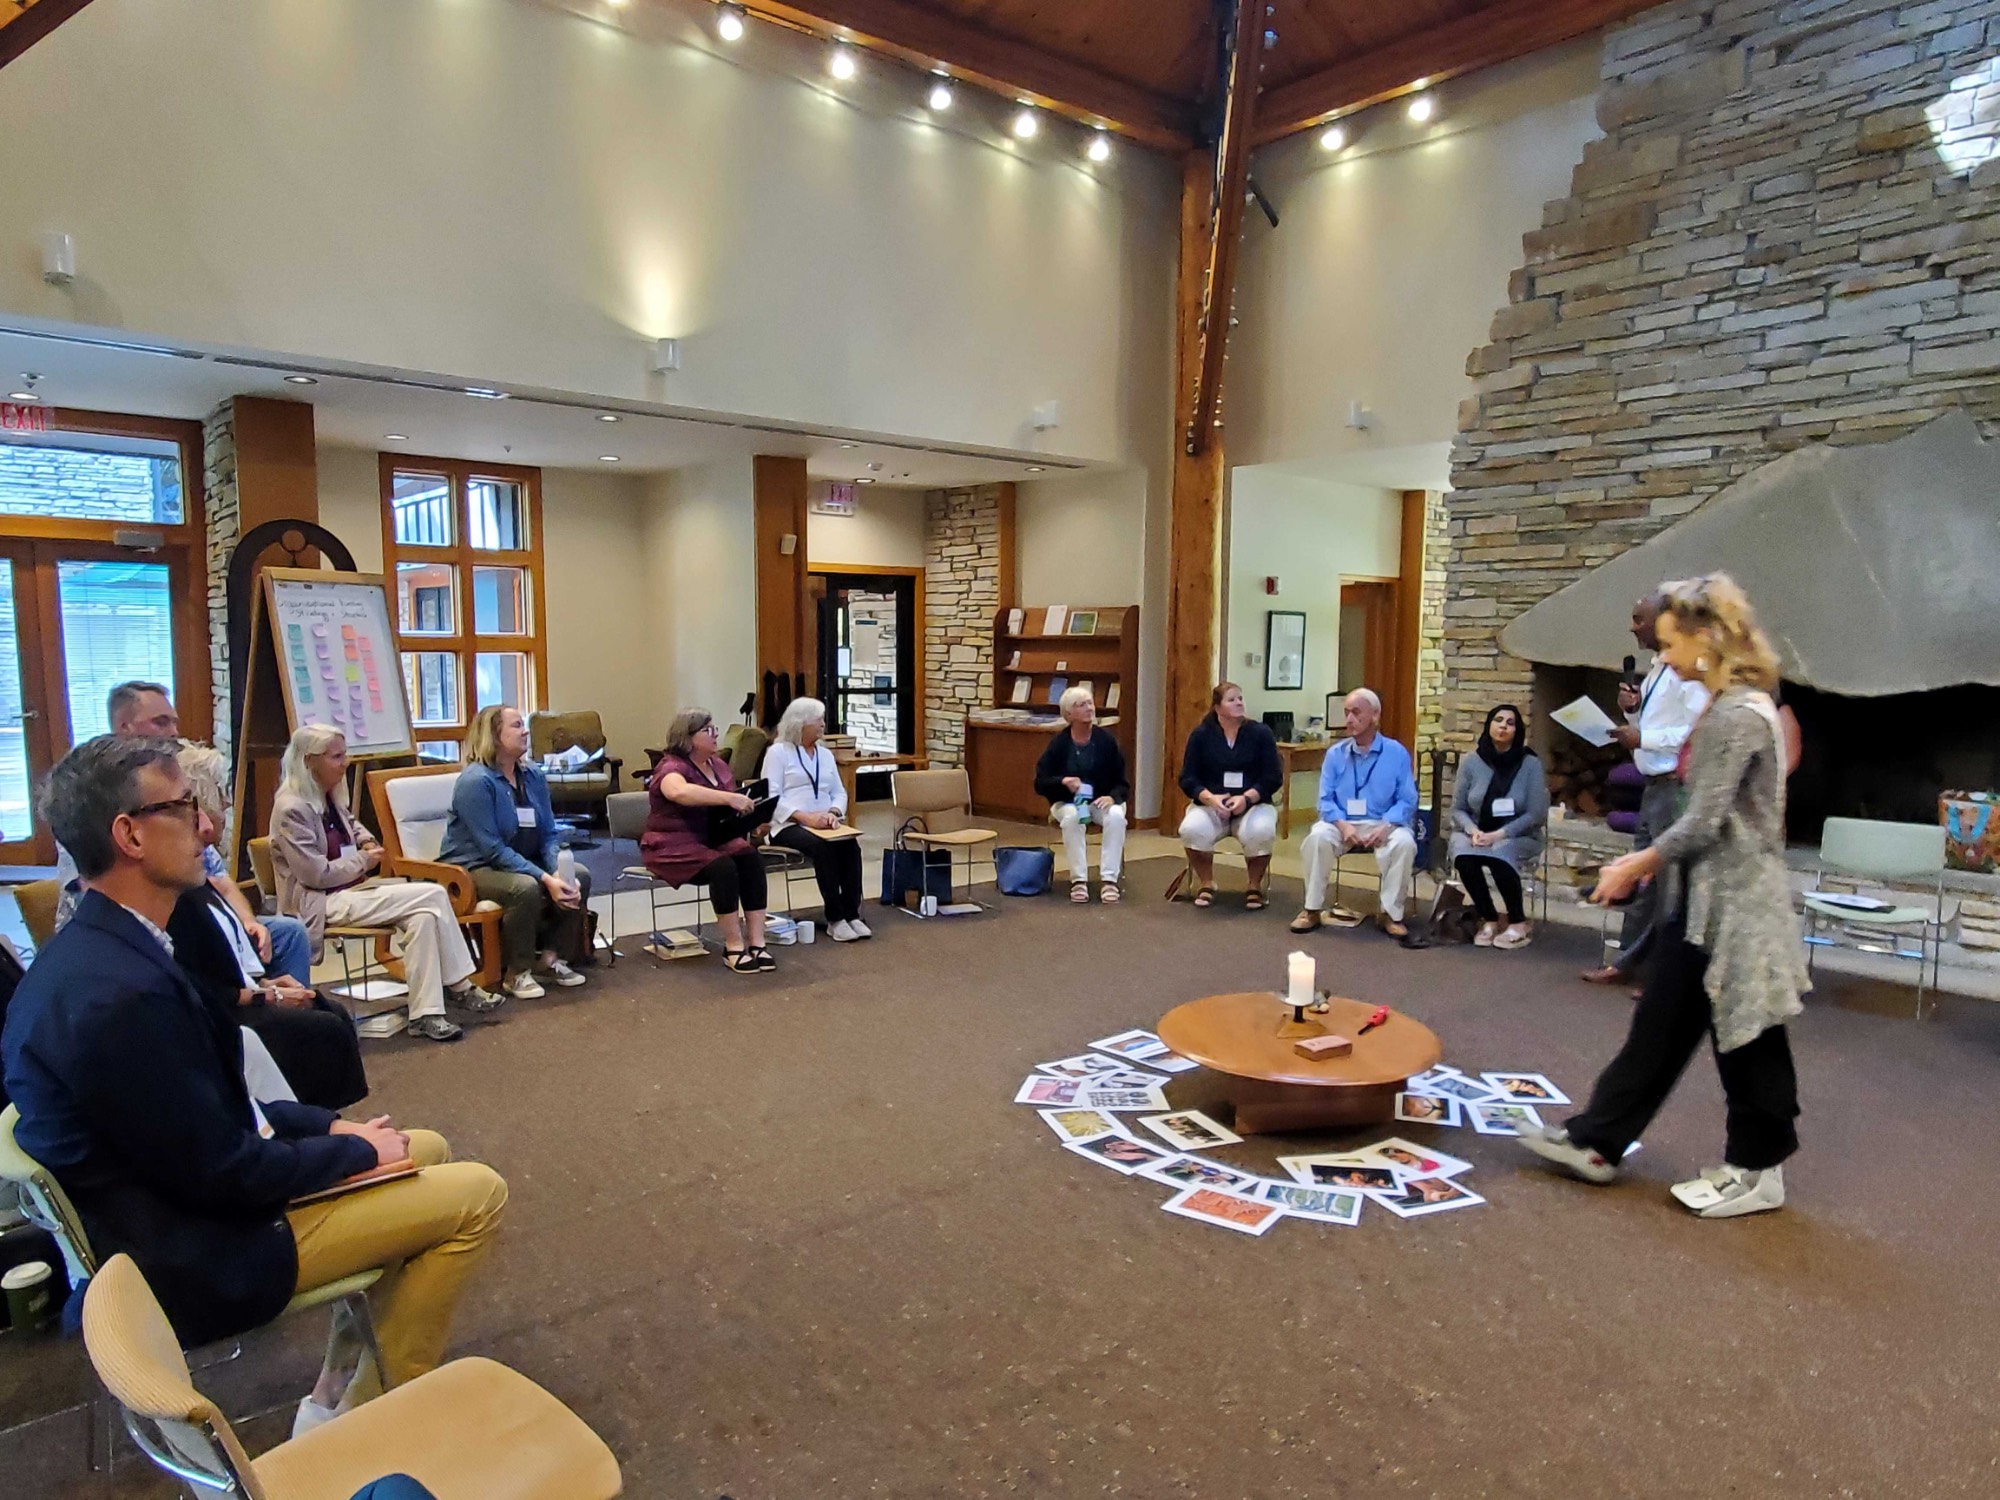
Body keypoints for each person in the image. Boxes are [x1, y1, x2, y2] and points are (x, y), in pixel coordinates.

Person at [1, 735, 508, 1427]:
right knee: (477, 1195)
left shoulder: (107, 949)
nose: (207, 825)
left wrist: (328, 1126)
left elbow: (215, 1113)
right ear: (129, 835)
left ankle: (336, 1390)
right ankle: (359, 1423)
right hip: (204, 1252)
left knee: (430, 1151)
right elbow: (225, 1172)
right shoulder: (116, 997)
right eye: (183, 807)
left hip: (196, 1204)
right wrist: (355, 1152)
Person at [1520, 573, 1808, 1220]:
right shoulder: (1727, 703)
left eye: (1673, 645)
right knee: (1662, 1024)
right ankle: (1597, 1142)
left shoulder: (1738, 713)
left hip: (1738, 906)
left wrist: (1635, 865)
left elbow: (1705, 820)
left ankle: (1757, 1172)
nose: (1667, 658)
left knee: (1750, 1038)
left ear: (1707, 638)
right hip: (1707, 897)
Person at [52, 681, 314, 989]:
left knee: (287, 935)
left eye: (174, 721)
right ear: (124, 728)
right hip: (129, 944)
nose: (175, 732)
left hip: (183, 923)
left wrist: (247, 921)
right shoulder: (91, 800)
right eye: (161, 722)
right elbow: (90, 896)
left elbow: (218, 880)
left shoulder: (168, 805)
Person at [271, 725, 506, 1042]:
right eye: (337, 757)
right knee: (434, 894)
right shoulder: (291, 808)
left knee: (423, 916)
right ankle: (462, 986)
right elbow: (316, 874)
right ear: (310, 761)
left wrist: (367, 845)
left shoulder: (327, 796)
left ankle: (426, 1015)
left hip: (355, 891)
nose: (345, 763)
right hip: (320, 901)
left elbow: (357, 832)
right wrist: (363, 861)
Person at [168, 743, 369, 1111]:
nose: (226, 809)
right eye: (221, 796)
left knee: (325, 1009)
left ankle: (315, 1117)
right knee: (322, 1027)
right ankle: (308, 1120)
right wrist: (265, 994)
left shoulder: (197, 867)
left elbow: (222, 889)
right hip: (220, 1012)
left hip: (239, 987)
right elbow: (199, 984)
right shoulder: (174, 890)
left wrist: (261, 975)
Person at [1582, 595, 1710, 989]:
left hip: (1676, 788)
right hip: (1652, 789)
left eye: (1639, 619)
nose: (1632, 626)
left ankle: (1662, 975)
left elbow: (1697, 731)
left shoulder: (1688, 669)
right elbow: (1657, 724)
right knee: (1644, 882)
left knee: (1668, 885)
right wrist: (1633, 713)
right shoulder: (1656, 668)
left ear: (1664, 621)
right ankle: (1627, 962)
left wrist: (1644, 735)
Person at [439, 706, 591, 998]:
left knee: (577, 875)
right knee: (525, 887)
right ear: (494, 736)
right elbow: (493, 849)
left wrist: (557, 868)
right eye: (516, 725)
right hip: (473, 868)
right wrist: (546, 879)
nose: (525, 731)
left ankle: (550, 958)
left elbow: (548, 833)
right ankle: (517, 972)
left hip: (520, 859)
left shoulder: (532, 775)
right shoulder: (475, 782)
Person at [644, 708, 775, 975]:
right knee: (724, 868)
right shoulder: (671, 767)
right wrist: (728, 799)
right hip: (673, 844)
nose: (715, 734)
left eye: (715, 729)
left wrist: (755, 817)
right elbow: (679, 792)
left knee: (750, 858)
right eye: (708, 730)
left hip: (713, 838)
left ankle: (758, 943)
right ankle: (733, 946)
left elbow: (729, 811)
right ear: (688, 737)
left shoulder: (718, 765)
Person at [1293, 689, 1419, 940]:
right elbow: (1325, 800)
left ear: (1375, 716)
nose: (1349, 719)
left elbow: (1408, 799)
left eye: (1356, 713)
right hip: (1342, 821)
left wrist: (1386, 825)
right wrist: (1343, 826)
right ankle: (1312, 909)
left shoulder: (1396, 753)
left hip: (1383, 821)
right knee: (1317, 838)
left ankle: (1391, 914)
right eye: (1346, 713)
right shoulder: (1335, 754)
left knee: (1404, 843)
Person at [761, 697, 870, 942]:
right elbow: (771, 795)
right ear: (801, 724)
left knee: (850, 846)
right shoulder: (778, 753)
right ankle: (835, 918)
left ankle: (852, 913)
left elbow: (839, 792)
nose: (823, 724)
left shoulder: (825, 754)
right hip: (788, 825)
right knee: (822, 849)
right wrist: (805, 818)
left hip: (825, 823)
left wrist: (833, 813)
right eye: (818, 720)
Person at [1446, 704, 1550, 950]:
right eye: (1498, 720)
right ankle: (1489, 917)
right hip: (1477, 830)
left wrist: (1499, 834)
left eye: (1510, 722)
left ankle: (1518, 921)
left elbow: (1536, 813)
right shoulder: (1472, 761)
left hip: (1518, 834)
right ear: (1489, 725)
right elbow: (1458, 809)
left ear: (1517, 730)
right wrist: (1473, 830)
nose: (1503, 725)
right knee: (1463, 855)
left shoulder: (1530, 764)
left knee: (1501, 853)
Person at [1176, 682, 1281, 909]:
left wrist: (1246, 798)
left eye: (1241, 698)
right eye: (1232, 699)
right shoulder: (1201, 735)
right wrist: (1211, 799)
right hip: (1211, 805)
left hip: (1253, 803)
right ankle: (1206, 882)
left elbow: (1273, 777)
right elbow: (1188, 778)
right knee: (1191, 829)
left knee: (1261, 831)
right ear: (1217, 707)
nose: (1239, 703)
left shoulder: (1261, 733)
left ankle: (1254, 885)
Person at [1034, 686, 1130, 904]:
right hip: (1067, 802)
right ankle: (1079, 880)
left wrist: (1112, 797)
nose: (1090, 708)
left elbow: (1123, 782)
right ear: (1069, 714)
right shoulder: (1059, 744)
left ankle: (1109, 880)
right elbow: (1040, 782)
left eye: (1090, 703)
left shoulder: (1107, 741)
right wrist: (1063, 782)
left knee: (1115, 816)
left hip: (1100, 800)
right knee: (1072, 818)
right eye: (1082, 705)